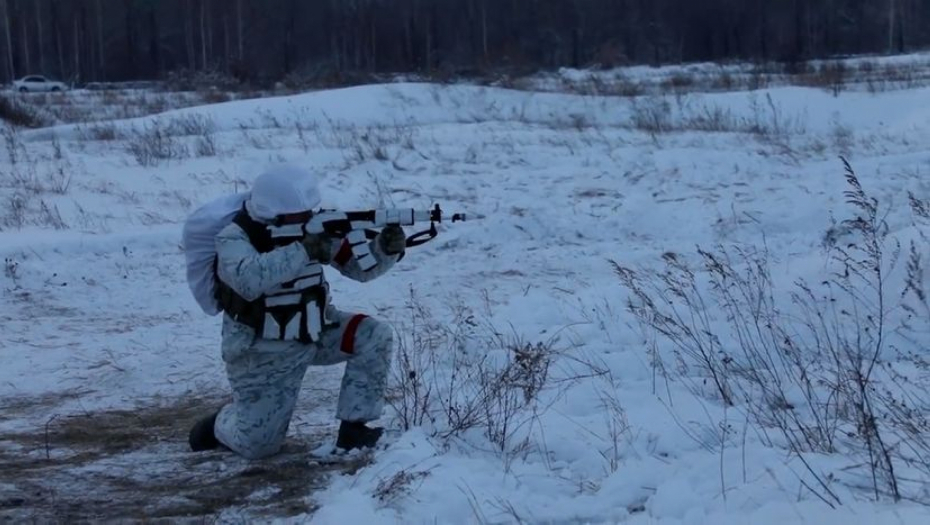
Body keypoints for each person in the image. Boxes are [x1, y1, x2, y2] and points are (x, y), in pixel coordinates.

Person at [187, 165, 405, 459]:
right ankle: (222, 423)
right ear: (272, 212)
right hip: (262, 352)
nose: (307, 218)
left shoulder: (314, 230)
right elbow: (249, 280)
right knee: (259, 447)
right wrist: (304, 250)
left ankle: (354, 429)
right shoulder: (234, 238)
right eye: (299, 214)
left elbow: (359, 268)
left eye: (308, 211)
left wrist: (385, 249)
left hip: (317, 331)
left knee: (374, 336)